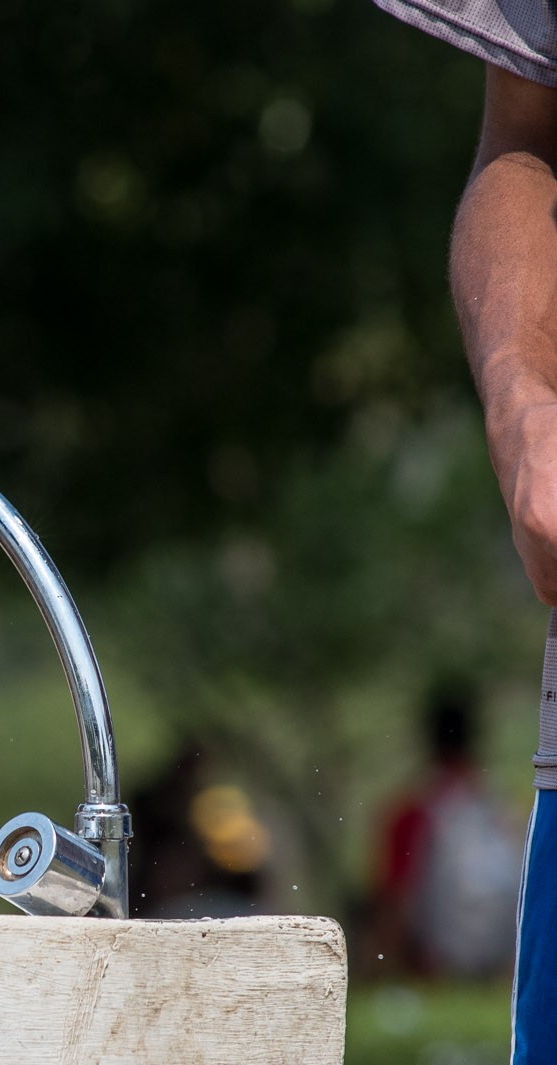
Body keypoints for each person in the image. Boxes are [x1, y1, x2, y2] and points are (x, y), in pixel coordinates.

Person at [374, 0, 557, 1057]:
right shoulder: (462, 813)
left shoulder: (423, 814)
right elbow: (525, 135)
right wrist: (522, 404)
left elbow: (397, 894)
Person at [372, 688, 520, 980]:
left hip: (434, 968)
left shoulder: (412, 813)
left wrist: (382, 972)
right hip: (499, 966)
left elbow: (394, 902)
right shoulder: (503, 811)